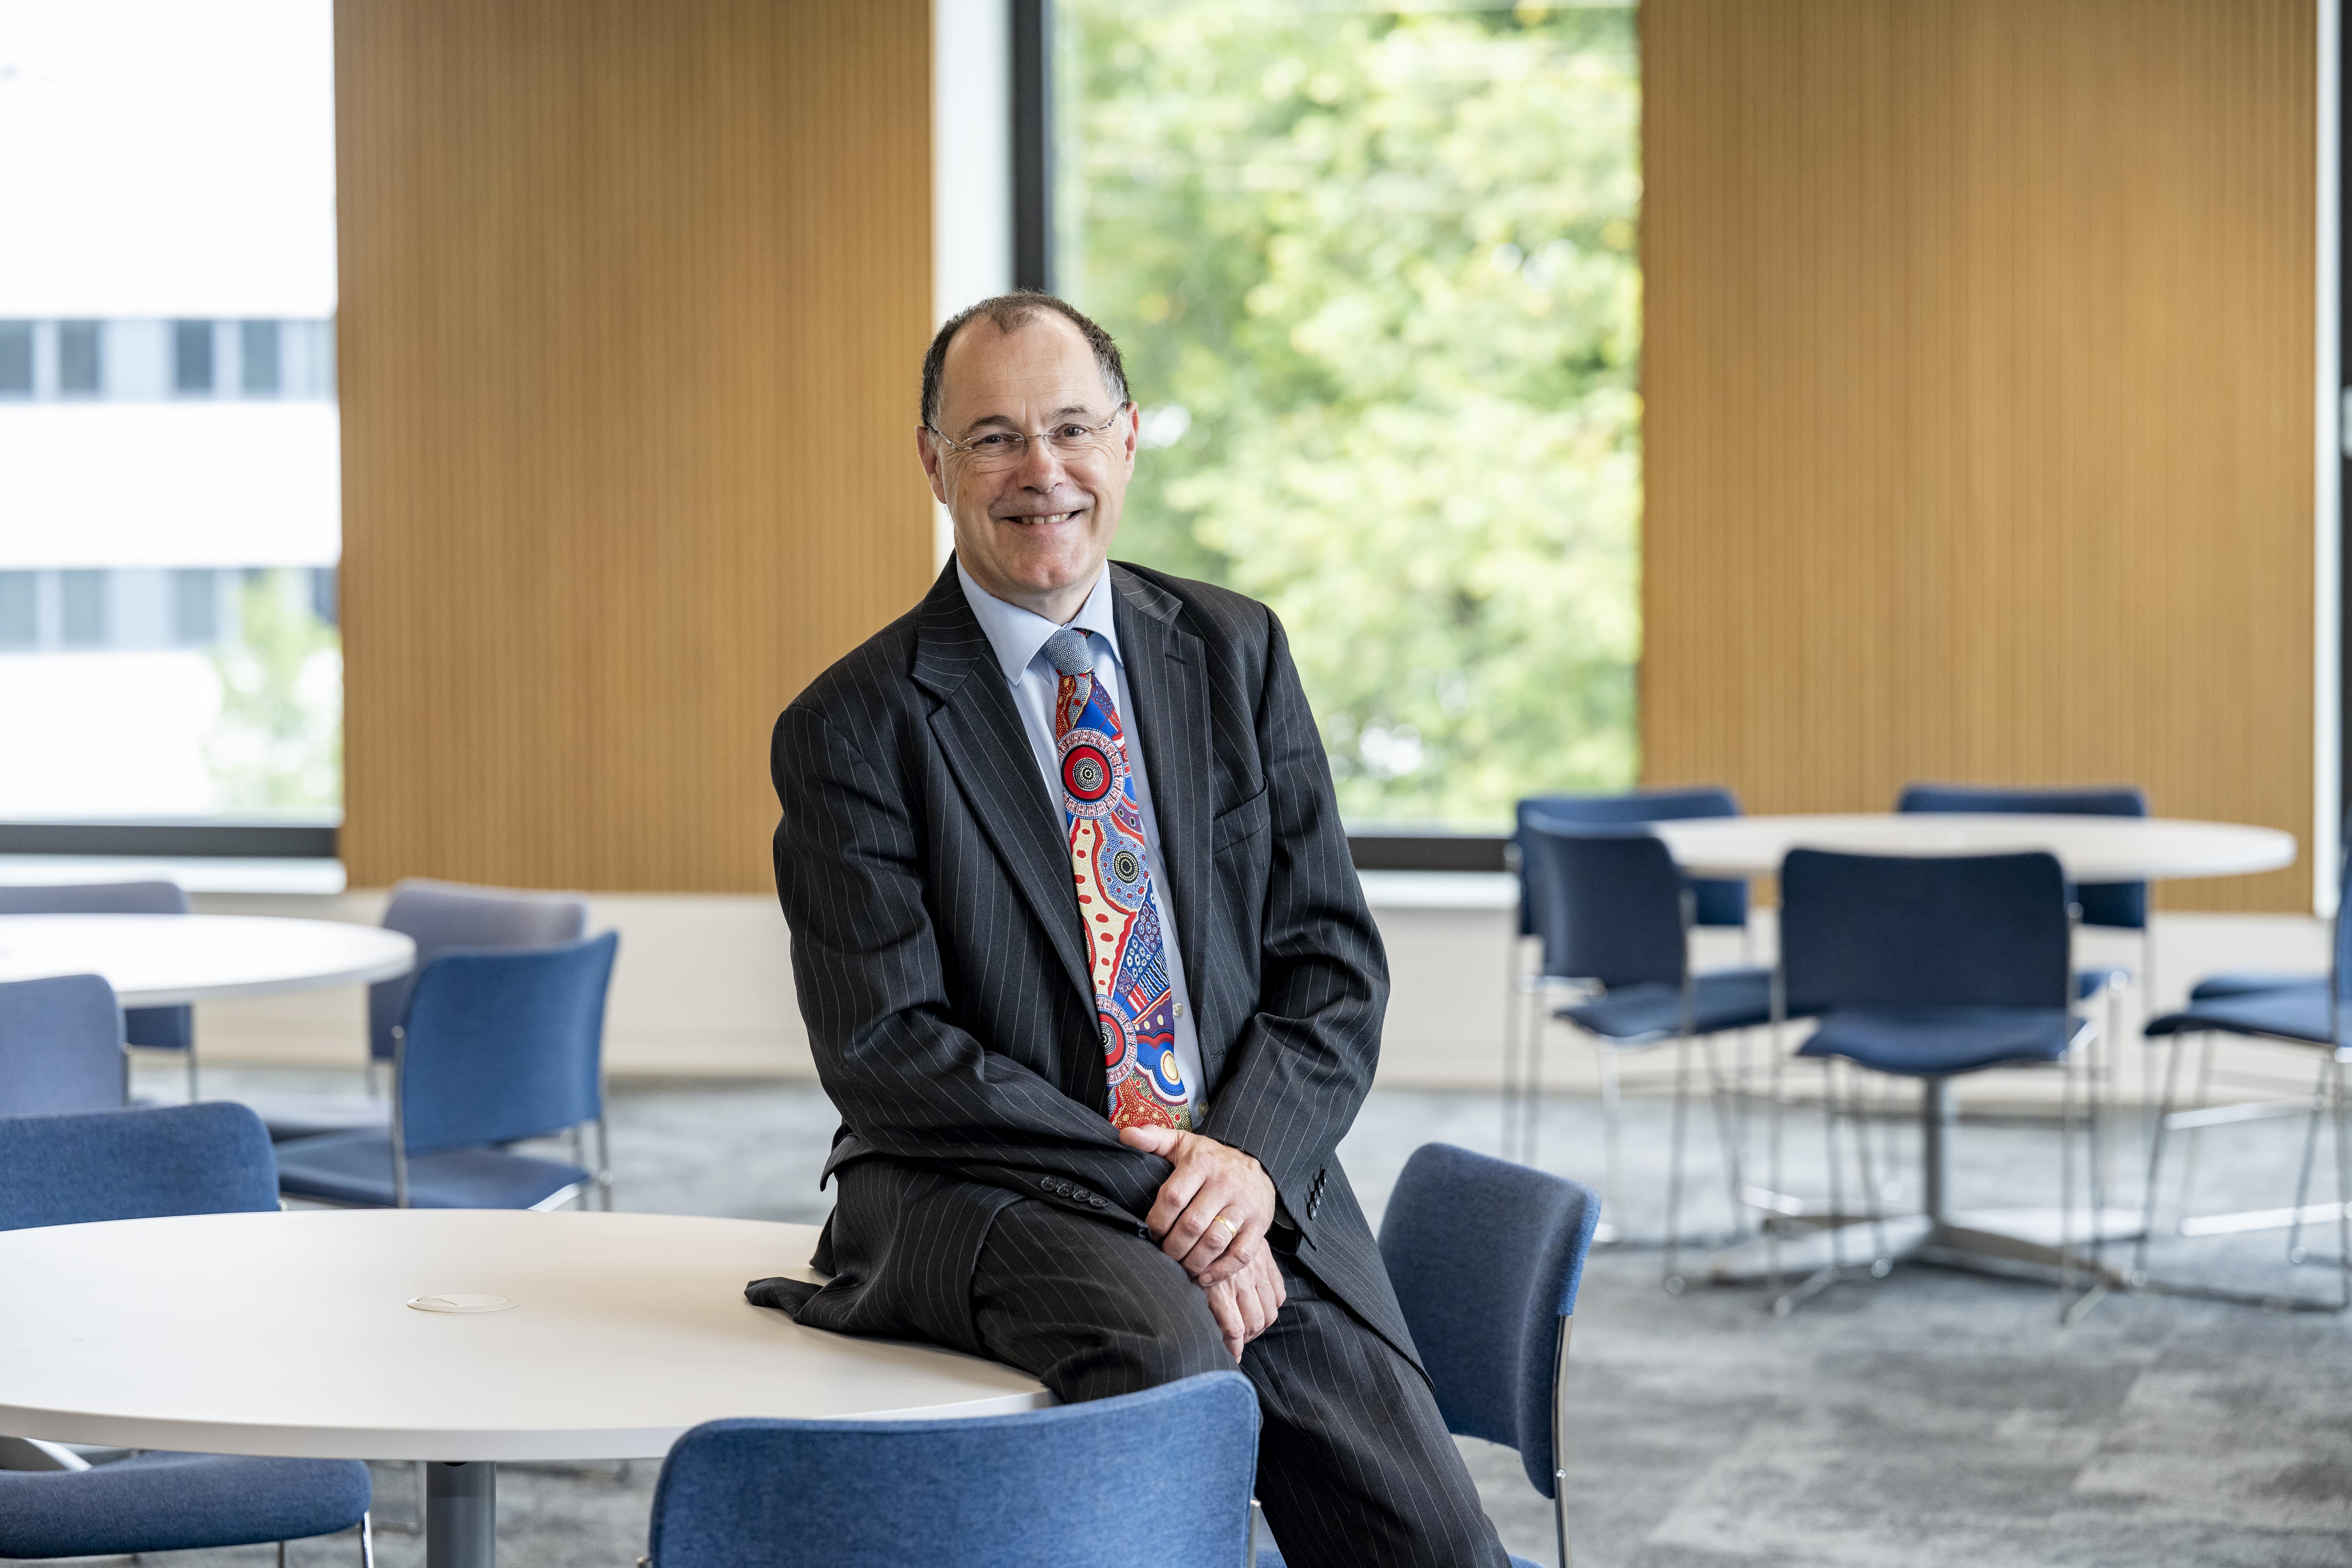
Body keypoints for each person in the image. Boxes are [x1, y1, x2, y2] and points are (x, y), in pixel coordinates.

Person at [756, 291, 1510, 1567]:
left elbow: (1330, 965)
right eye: (992, 437)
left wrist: (1244, 1164)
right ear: (932, 462)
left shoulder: (1237, 651)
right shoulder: (852, 723)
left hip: (1247, 1174)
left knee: (1428, 1534)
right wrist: (1175, 1188)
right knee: (1165, 1362)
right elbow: (888, 1045)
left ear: (1129, 439)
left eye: (1069, 428)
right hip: (980, 1181)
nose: (1038, 470)